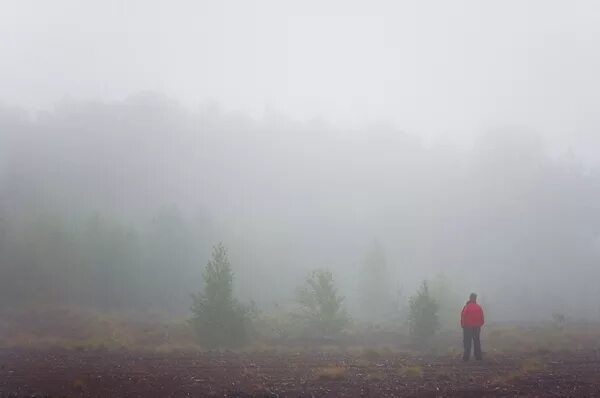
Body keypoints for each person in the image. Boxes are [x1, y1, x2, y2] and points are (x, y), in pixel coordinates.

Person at [461, 293, 484, 361]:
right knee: (476, 341)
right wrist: (480, 324)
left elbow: (463, 316)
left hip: (467, 326)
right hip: (477, 326)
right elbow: (482, 318)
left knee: (467, 341)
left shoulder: (467, 307)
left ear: (470, 298)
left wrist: (463, 325)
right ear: (475, 298)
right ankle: (478, 356)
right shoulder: (479, 307)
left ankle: (466, 357)